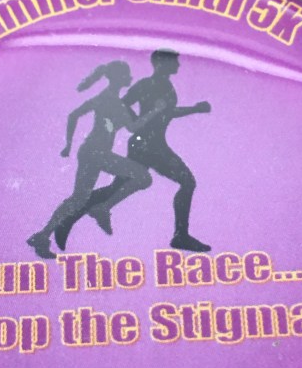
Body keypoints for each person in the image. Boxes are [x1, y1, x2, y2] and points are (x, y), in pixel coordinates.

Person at [55, 49, 212, 253]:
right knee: (186, 182)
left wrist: (194, 109)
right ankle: (180, 236)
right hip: (146, 145)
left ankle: (70, 219)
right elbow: (123, 104)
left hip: (153, 144)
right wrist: (136, 121)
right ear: (161, 64)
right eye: (174, 61)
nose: (178, 65)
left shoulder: (167, 86)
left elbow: (167, 112)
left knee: (118, 187)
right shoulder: (145, 84)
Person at [27, 61, 162, 260]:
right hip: (96, 153)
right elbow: (132, 127)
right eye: (127, 75)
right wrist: (156, 110)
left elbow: (76, 115)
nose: (130, 78)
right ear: (119, 78)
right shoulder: (111, 101)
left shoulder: (107, 99)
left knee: (79, 198)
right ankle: (102, 208)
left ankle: (42, 235)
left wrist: (69, 145)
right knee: (142, 177)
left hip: (91, 152)